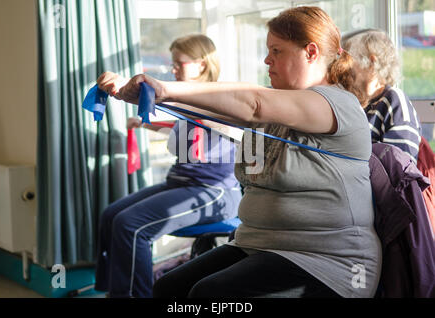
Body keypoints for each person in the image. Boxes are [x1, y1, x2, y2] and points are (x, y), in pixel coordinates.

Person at [98, 6, 382, 298]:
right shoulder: (281, 106)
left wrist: (164, 89)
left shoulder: (336, 104)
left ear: (310, 52)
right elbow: (209, 110)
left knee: (209, 296)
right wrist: (145, 96)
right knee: (169, 288)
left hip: (326, 262)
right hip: (259, 245)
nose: (266, 59)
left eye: (277, 50)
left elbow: (254, 103)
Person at [94, 34, 242, 298]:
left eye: (179, 63)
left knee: (130, 225)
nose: (173, 69)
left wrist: (137, 90)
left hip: (214, 191)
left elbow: (201, 115)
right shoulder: (187, 100)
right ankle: (116, 291)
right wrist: (144, 123)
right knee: (110, 215)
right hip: (180, 182)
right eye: (172, 63)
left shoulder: (220, 96)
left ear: (202, 65)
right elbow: (183, 124)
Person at [342, 29, 422, 162]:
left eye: (349, 60)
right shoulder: (355, 101)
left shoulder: (395, 101)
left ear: (372, 63)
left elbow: (400, 169)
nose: (344, 67)